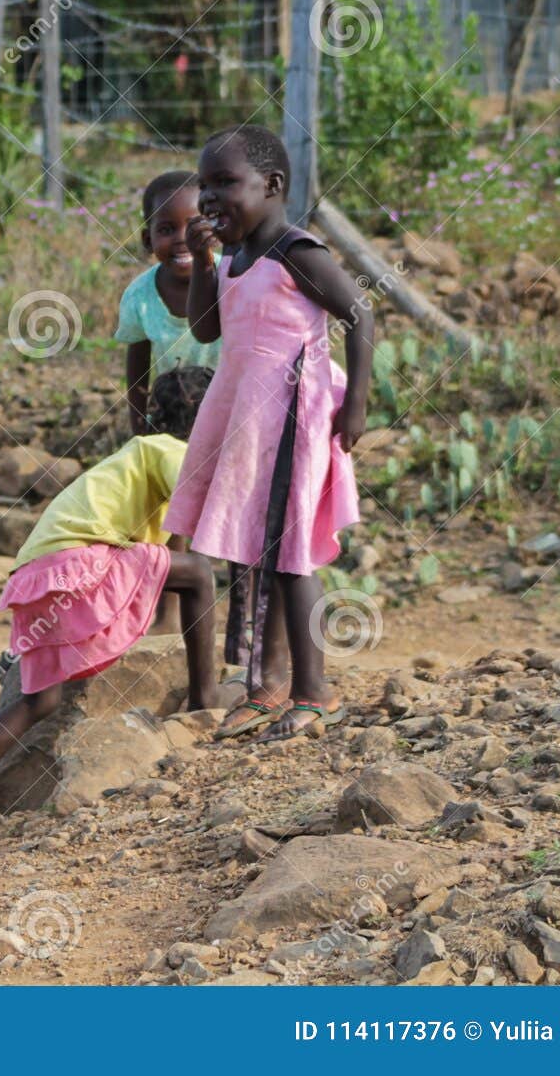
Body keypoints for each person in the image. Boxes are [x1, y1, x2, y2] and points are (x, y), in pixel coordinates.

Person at [0, 392, 238, 820]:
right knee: (199, 573)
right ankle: (204, 701)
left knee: (40, 701)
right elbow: (202, 518)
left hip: (38, 577)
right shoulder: (171, 450)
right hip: (78, 564)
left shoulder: (133, 460)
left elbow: (169, 547)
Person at [167, 124, 373, 741]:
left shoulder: (294, 250)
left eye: (226, 182)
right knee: (258, 554)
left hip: (290, 414)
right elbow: (205, 330)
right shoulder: (232, 258)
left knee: (289, 557)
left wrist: (356, 401)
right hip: (246, 416)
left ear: (273, 186)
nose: (209, 197)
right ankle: (268, 684)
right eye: (204, 185)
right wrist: (204, 259)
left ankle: (316, 692)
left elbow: (359, 313)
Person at [118, 170, 221, 437]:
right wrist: (139, 427)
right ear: (147, 240)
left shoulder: (232, 278)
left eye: (193, 226)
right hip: (176, 420)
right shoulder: (139, 296)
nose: (182, 239)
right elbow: (138, 364)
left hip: (230, 413)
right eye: (166, 229)